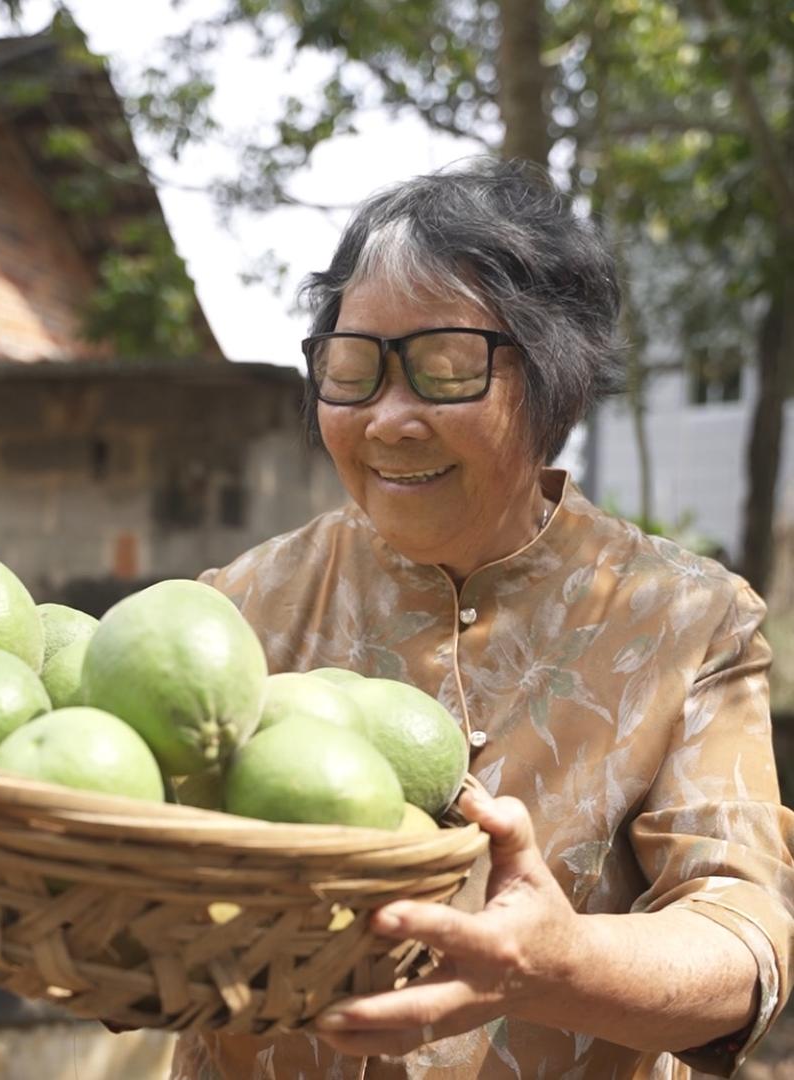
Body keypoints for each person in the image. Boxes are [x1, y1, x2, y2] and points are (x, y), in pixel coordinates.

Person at [169, 158, 794, 1080]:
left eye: (445, 369)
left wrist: (554, 964)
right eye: (351, 370)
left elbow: (744, 944)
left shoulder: (687, 620)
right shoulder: (231, 614)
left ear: (555, 383)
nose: (387, 418)